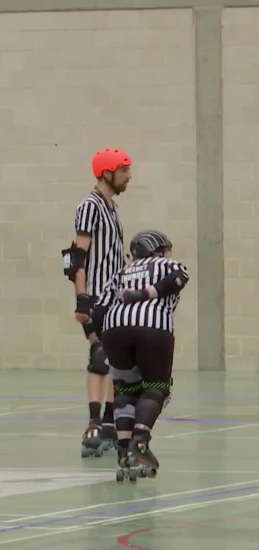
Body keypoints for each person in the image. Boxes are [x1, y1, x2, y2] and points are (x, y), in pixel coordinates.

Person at [91, 230, 190, 482]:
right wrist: (145, 295)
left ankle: (124, 449)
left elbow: (100, 310)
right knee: (156, 387)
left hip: (114, 328)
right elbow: (181, 276)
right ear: (158, 250)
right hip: (152, 326)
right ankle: (140, 442)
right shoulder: (165, 263)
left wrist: (105, 341)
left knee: (125, 388)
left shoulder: (121, 272)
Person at [61, 148, 131, 458]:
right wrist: (82, 298)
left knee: (119, 363)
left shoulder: (111, 207)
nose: (128, 175)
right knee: (100, 356)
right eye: (124, 170)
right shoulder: (89, 206)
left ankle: (107, 425)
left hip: (117, 297)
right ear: (106, 173)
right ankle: (93, 425)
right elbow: (77, 256)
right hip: (98, 297)